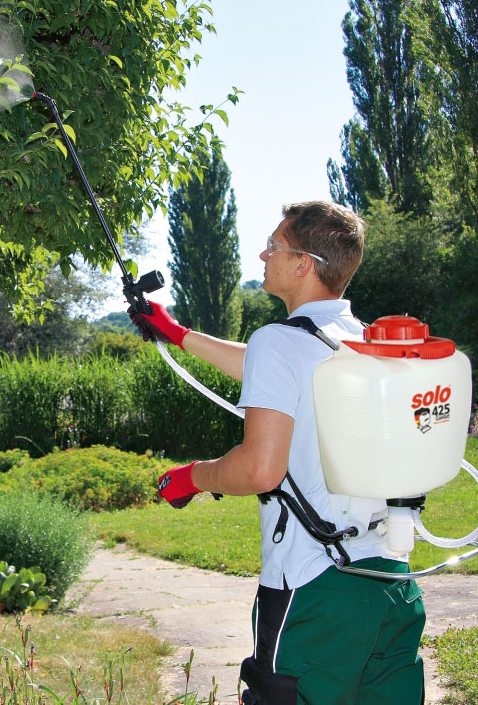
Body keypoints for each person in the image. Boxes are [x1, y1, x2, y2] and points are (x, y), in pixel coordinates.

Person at [130, 201, 426, 705]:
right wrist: (176, 333)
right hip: (392, 584)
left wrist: (191, 477)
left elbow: (261, 469)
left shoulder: (280, 341)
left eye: (275, 246)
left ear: (303, 263)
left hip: (314, 592)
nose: (263, 255)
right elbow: (269, 365)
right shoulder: (362, 340)